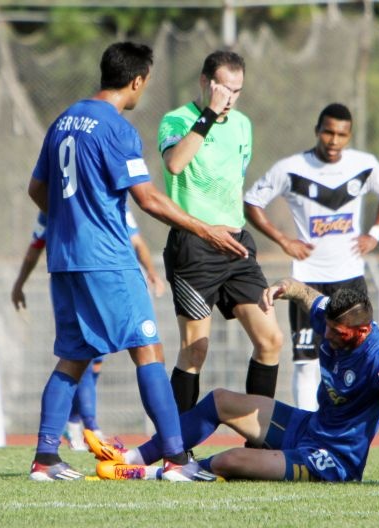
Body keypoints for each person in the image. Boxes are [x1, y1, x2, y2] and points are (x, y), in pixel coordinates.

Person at [27, 41, 248, 482]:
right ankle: (177, 460)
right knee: (149, 350)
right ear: (137, 80)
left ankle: (45, 459)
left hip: (65, 258)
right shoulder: (117, 128)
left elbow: (36, 189)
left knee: (73, 357)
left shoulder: (64, 120)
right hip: (107, 258)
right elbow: (147, 199)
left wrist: (72, 220)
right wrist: (205, 229)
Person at [84, 278, 379, 485]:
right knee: (220, 400)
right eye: (326, 326)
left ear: (363, 331)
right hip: (308, 427)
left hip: (331, 460)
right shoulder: (335, 316)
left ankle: (164, 473)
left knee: (231, 460)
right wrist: (284, 287)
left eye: (336, 332)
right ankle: (134, 457)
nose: (326, 334)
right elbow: (305, 293)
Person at [244, 103, 379, 411]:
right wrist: (284, 240)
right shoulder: (291, 168)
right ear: (317, 131)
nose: (333, 140)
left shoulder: (363, 165)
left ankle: (347, 426)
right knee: (306, 362)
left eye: (341, 134)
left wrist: (375, 234)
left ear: (349, 136)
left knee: (357, 357)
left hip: (350, 279)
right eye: (328, 132)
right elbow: (251, 202)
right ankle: (306, 429)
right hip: (307, 281)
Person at [158, 50, 282, 413]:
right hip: (195, 246)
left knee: (271, 340)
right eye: (224, 89)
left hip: (237, 246)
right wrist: (209, 115)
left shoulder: (242, 125)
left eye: (237, 91)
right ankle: (177, 442)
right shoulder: (176, 120)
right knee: (195, 350)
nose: (230, 98)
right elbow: (175, 164)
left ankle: (258, 437)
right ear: (205, 82)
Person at [11, 210, 166, 450]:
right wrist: (19, 283)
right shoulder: (56, 207)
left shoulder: (109, 203)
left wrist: (152, 272)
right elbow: (36, 245)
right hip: (83, 277)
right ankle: (89, 427)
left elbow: (136, 240)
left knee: (92, 360)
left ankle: (73, 424)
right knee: (84, 355)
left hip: (103, 277)